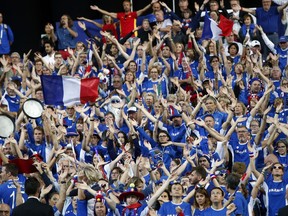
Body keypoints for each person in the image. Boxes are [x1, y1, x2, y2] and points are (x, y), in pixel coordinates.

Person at [90, 0, 158, 38]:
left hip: (133, 37)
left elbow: (143, 10)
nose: (126, 6)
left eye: (127, 5)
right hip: (123, 38)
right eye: (124, 5)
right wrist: (98, 9)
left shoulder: (133, 14)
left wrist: (151, 4)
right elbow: (108, 13)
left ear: (130, 6)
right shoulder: (120, 15)